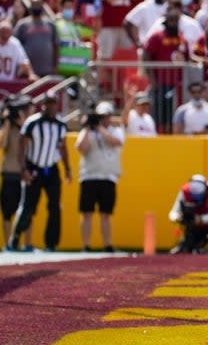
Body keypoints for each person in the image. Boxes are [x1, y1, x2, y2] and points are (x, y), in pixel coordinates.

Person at [6, 94, 70, 252]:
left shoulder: (61, 124)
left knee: (55, 206)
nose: (51, 107)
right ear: (43, 105)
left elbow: (63, 148)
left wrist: (67, 168)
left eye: (53, 103)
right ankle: (15, 239)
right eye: (48, 103)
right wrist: (23, 169)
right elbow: (22, 147)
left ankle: (51, 243)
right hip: (34, 167)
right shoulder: (32, 122)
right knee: (28, 206)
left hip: (51, 169)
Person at [75, 101, 124, 252]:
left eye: (106, 116)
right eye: (101, 116)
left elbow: (116, 142)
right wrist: (88, 128)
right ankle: (86, 245)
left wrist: (99, 128)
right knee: (87, 212)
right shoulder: (88, 131)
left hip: (108, 176)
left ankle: (108, 244)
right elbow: (81, 148)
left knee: (106, 214)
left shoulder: (115, 130)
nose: (104, 119)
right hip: (89, 175)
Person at [168, 174, 208, 254]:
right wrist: (177, 217)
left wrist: (201, 219)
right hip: (193, 225)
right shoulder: (185, 191)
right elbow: (173, 212)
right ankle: (189, 244)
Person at [0, 97, 29, 246]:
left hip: (23, 174)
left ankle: (24, 243)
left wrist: (21, 121)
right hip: (9, 173)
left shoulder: (25, 129)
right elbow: (3, 145)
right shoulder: (8, 129)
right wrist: (5, 122)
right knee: (7, 212)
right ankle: (7, 244)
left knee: (25, 210)